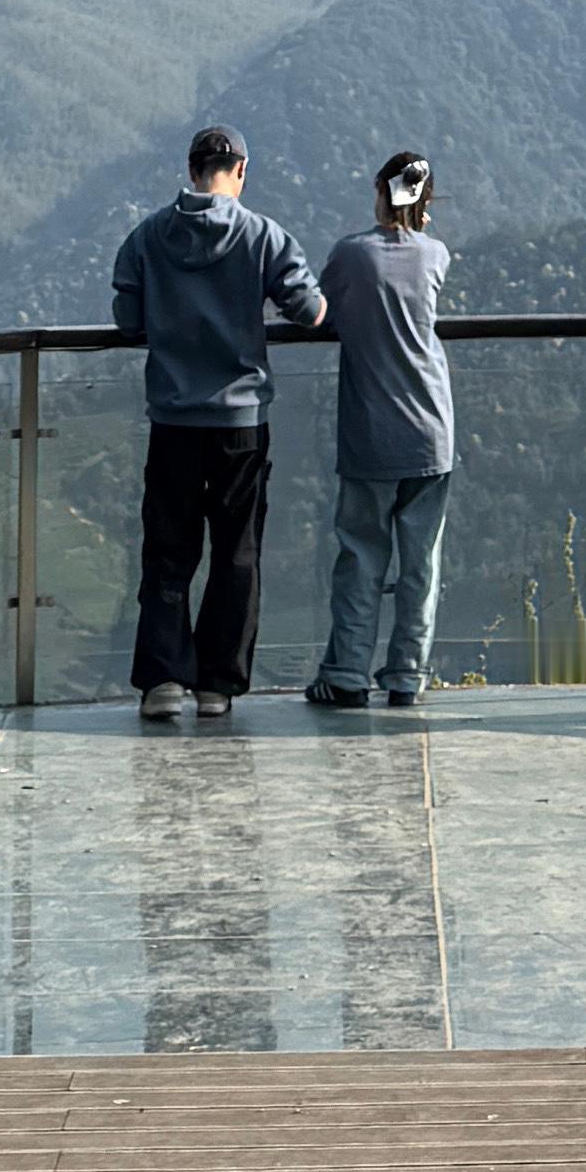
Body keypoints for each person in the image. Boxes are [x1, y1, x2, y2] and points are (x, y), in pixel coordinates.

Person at [110, 128, 326, 725]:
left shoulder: (148, 237)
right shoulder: (263, 237)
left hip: (174, 419)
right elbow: (309, 311)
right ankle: (217, 685)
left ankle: (161, 680)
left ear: (192, 167)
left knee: (168, 550)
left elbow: (127, 321)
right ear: (241, 170)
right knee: (237, 551)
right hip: (241, 423)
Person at [305, 150, 456, 712]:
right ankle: (406, 678)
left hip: (370, 430)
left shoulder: (350, 255)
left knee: (362, 556)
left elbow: (320, 311)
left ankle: (346, 674)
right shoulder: (436, 256)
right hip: (431, 430)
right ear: (426, 200)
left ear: (377, 191)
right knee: (421, 563)